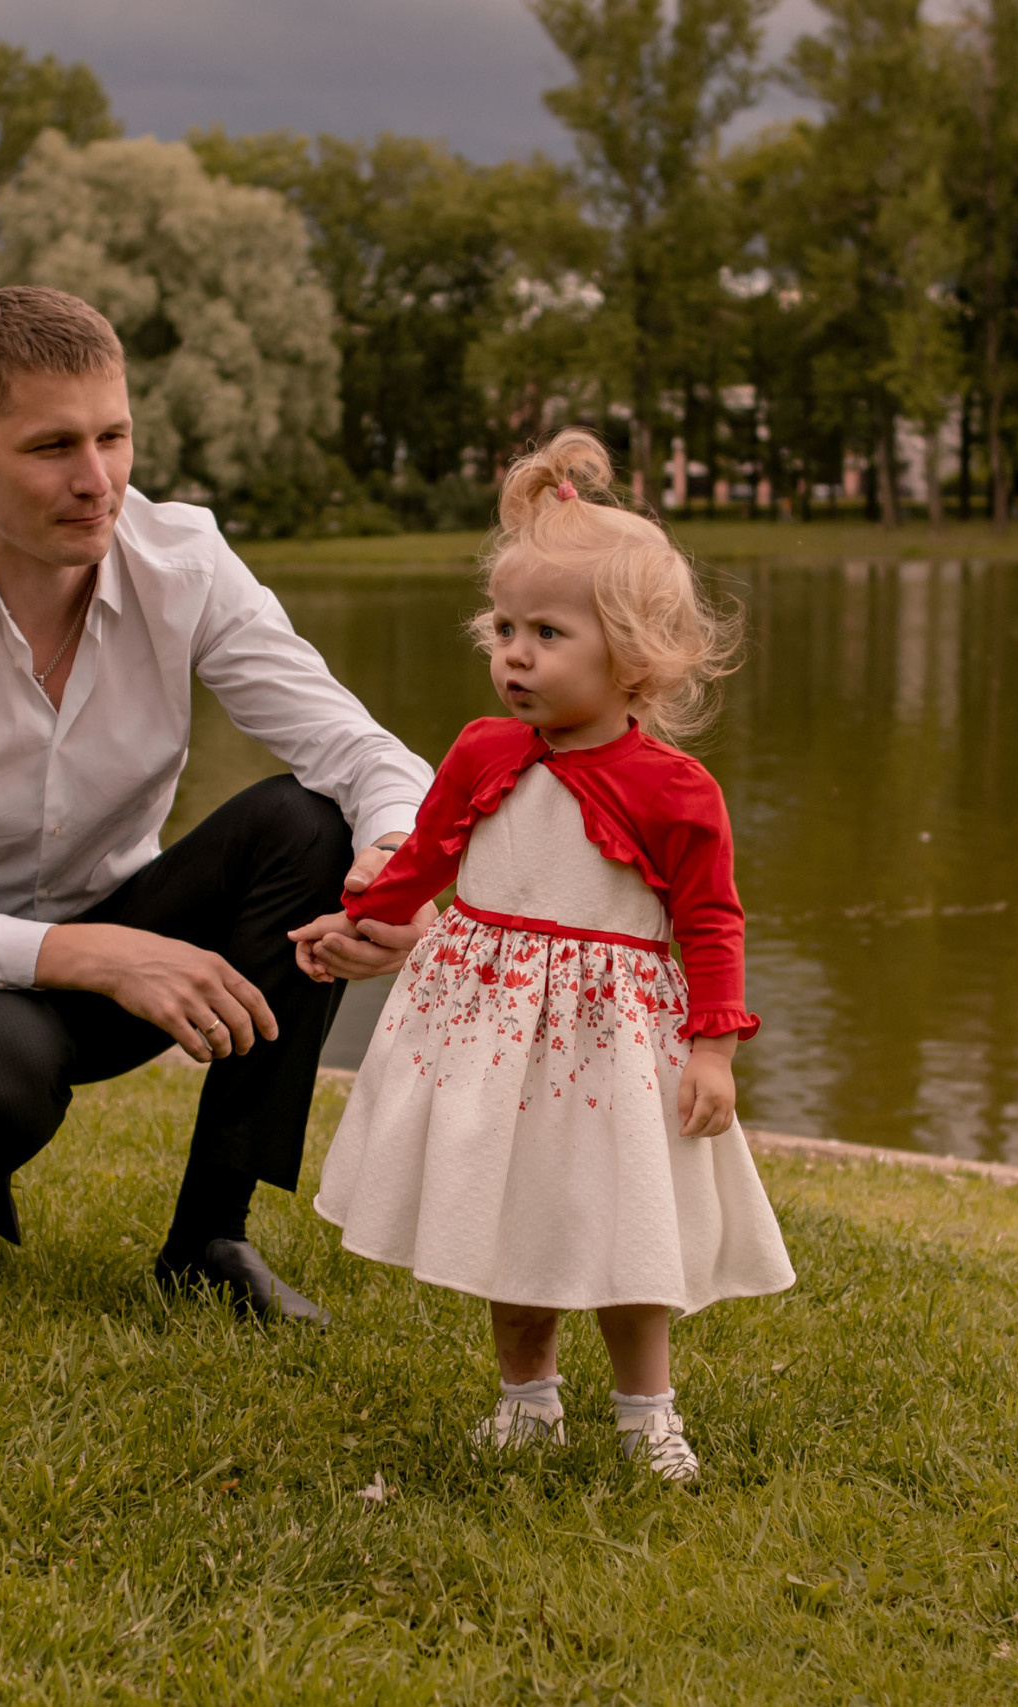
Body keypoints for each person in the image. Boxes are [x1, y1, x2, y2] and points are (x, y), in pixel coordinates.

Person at [0, 284, 434, 1320]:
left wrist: (394, 869)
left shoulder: (182, 561)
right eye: (52, 447)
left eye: (114, 437)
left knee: (313, 824)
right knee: (4, 1066)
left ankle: (209, 1243)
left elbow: (358, 749)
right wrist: (102, 958)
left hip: (117, 947)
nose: (96, 482)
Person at [288, 429, 795, 1480]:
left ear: (632, 658)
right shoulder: (482, 750)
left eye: (547, 633)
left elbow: (710, 923)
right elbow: (425, 858)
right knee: (509, 1213)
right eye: (504, 628)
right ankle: (527, 1398)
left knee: (619, 1222)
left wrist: (712, 1049)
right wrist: (358, 921)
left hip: (610, 1041)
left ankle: (644, 1409)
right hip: (486, 1027)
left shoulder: (674, 791)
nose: (514, 654)